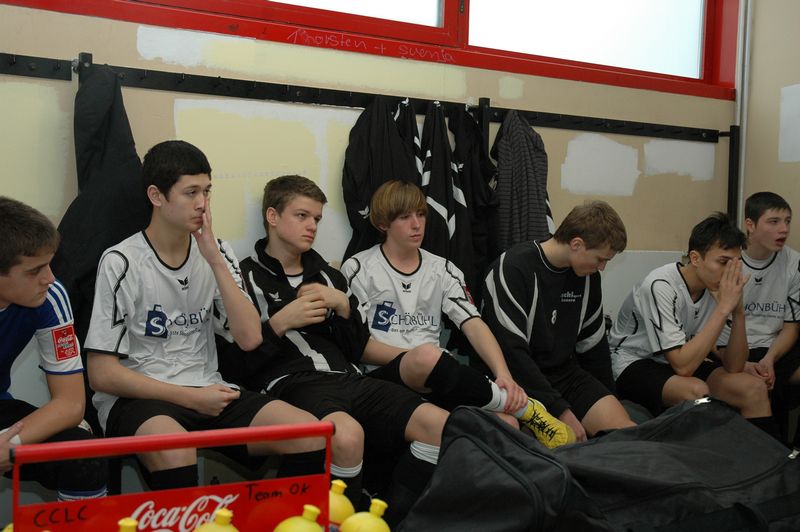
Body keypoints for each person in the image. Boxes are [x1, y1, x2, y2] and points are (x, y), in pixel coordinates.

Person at [84, 141, 323, 492]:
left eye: (207, 191)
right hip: (142, 397)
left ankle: (284, 517)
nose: (202, 203)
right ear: (156, 196)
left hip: (207, 388)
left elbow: (250, 339)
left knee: (310, 434)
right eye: (191, 192)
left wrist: (213, 259)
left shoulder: (218, 250)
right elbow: (102, 374)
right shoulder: (121, 261)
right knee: (176, 450)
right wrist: (189, 398)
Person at [218, 175, 449, 525]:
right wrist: (279, 323)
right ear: (272, 216)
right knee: (348, 435)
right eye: (302, 216)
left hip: (349, 378)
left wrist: (343, 306)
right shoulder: (242, 278)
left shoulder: (329, 275)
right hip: (293, 383)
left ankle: (385, 520)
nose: (312, 226)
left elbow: (357, 348)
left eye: (317, 218)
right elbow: (233, 365)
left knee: (438, 424)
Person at [341, 180, 575, 448]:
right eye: (405, 217)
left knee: (507, 425)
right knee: (428, 355)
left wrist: (504, 376)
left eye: (421, 214)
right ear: (384, 224)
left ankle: (514, 411)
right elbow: (360, 348)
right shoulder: (359, 268)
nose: (417, 225)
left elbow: (473, 323)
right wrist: (425, 359)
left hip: (437, 377)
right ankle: (525, 408)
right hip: (384, 378)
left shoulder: (442, 268)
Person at [610, 212, 779, 437]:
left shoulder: (716, 288)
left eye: (735, 264)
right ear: (696, 258)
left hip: (680, 357)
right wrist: (723, 308)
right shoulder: (660, 285)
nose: (730, 272)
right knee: (696, 391)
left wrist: (738, 312)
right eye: (723, 262)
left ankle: (764, 458)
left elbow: (734, 365)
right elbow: (683, 367)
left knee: (753, 388)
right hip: (633, 360)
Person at [483, 201, 636, 441]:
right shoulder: (512, 268)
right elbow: (512, 355)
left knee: (626, 434)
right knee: (566, 440)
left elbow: (593, 349)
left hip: (565, 375)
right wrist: (560, 410)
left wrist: (609, 396)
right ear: (577, 244)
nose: (602, 268)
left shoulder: (588, 278)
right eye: (600, 259)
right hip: (515, 380)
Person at [0, 196, 106, 501]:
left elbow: (70, 405)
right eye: (34, 271)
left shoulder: (50, 297)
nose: (50, 278)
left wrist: (10, 444)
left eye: (49, 264)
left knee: (84, 456)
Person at [718, 192, 800, 446]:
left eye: (787, 221)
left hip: (775, 348)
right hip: (732, 346)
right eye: (774, 221)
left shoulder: (793, 261)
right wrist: (745, 363)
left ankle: (793, 451)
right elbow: (711, 327)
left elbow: (791, 327)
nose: (784, 229)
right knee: (758, 385)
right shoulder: (728, 259)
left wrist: (770, 358)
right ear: (750, 225)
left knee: (774, 377)